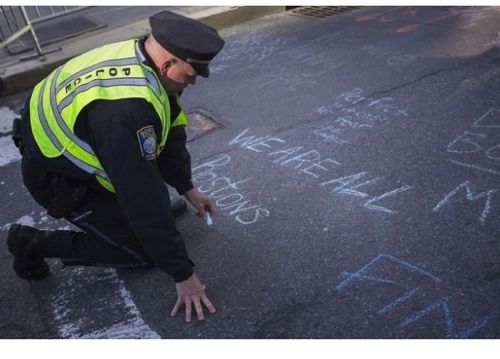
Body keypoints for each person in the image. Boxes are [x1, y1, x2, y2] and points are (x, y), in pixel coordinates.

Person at [7, 10, 225, 323]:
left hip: (79, 152)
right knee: (142, 251)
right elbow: (141, 195)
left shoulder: (143, 58)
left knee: (156, 215)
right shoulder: (125, 113)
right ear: (167, 63)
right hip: (60, 180)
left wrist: (187, 188)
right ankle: (33, 243)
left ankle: (141, 225)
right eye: (190, 77)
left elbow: (170, 131)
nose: (191, 84)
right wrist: (183, 274)